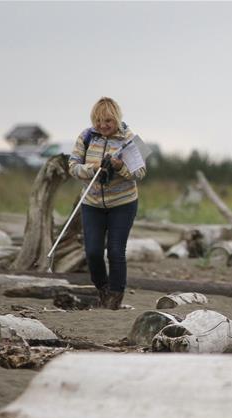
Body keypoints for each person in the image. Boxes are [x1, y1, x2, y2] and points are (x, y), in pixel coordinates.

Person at [68, 97, 146, 310]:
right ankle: (102, 288)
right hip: (92, 203)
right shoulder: (86, 137)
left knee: (115, 251)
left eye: (108, 122)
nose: (103, 126)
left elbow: (140, 172)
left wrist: (120, 166)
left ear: (117, 119)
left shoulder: (131, 139)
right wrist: (92, 168)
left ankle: (115, 296)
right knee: (92, 251)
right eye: (98, 121)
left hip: (123, 204)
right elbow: (73, 166)